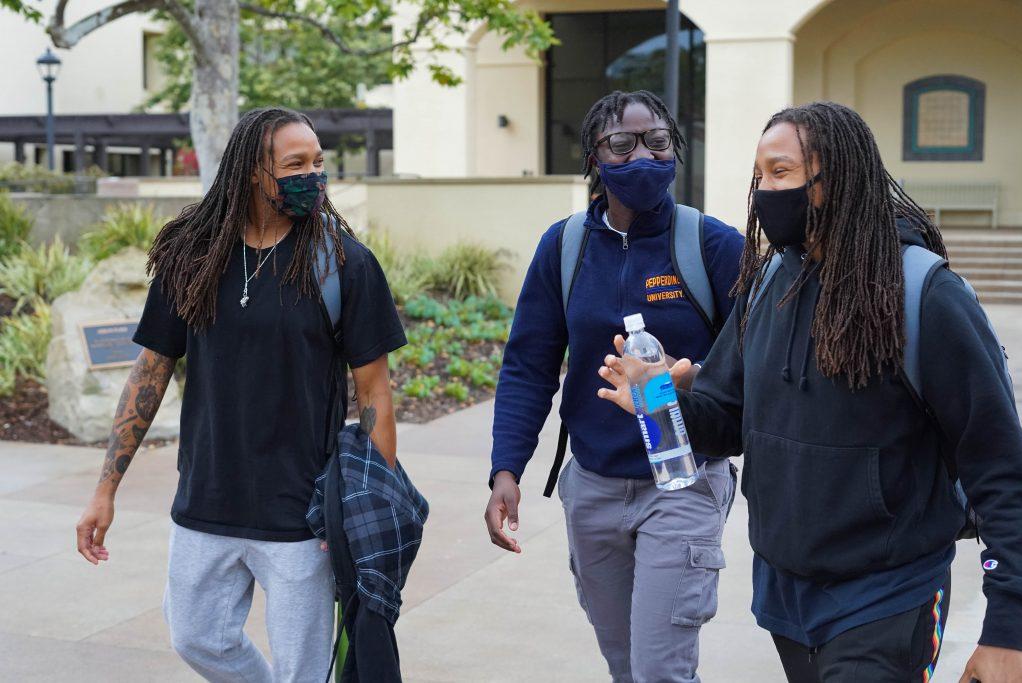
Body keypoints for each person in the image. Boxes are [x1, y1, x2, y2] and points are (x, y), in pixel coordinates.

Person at [598, 101, 1022, 683]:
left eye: (782, 174)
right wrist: (655, 397)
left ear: (838, 179)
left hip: (887, 596)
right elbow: (726, 419)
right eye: (759, 176)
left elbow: (999, 468)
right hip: (784, 599)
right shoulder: (768, 282)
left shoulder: (925, 295)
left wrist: (1010, 628)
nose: (763, 192)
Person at [74, 107, 407, 683]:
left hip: (302, 515)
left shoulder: (344, 263)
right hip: (207, 498)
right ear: (254, 171)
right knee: (196, 636)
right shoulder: (191, 257)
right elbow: (150, 371)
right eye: (295, 164)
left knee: (306, 669)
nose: (314, 176)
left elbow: (374, 389)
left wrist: (367, 508)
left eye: (319, 163)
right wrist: (106, 490)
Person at [485, 90, 745, 683]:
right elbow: (528, 364)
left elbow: (758, 360)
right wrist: (506, 470)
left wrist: (692, 378)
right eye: (622, 144)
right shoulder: (566, 245)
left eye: (658, 142)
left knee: (660, 671)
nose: (644, 156)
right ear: (594, 159)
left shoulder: (711, 245)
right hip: (595, 487)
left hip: (682, 482)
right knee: (626, 666)